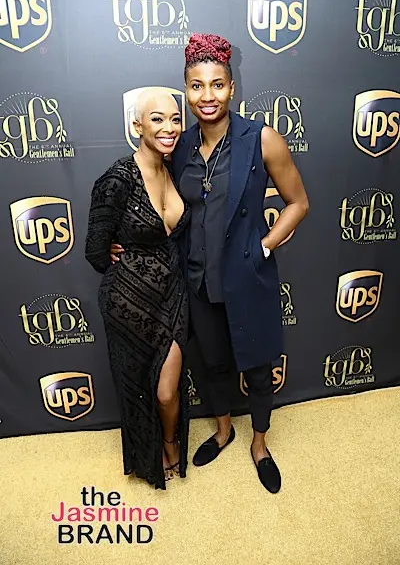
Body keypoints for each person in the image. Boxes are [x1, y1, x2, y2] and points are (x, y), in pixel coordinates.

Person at [111, 33, 309, 494]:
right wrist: (122, 240)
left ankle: (259, 443)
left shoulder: (261, 139)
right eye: (196, 86)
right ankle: (223, 431)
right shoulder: (178, 146)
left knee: (257, 365)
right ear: (186, 90)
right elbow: (152, 196)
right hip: (196, 282)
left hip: (246, 277)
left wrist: (263, 246)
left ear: (232, 88)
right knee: (212, 363)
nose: (207, 96)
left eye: (217, 84)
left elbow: (298, 203)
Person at [85, 89, 191, 490]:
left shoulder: (174, 169)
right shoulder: (116, 180)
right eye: (157, 119)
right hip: (128, 302)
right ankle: (149, 455)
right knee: (137, 391)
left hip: (172, 295)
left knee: (166, 392)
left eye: (175, 119)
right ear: (137, 126)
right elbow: (95, 252)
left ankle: (170, 442)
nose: (169, 127)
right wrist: (122, 252)